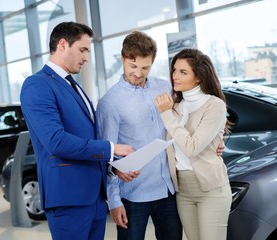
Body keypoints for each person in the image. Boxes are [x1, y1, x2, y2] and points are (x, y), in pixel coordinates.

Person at [20, 21, 134, 240]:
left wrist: (113, 167)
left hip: (94, 197)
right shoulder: (37, 85)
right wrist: (112, 148)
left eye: (88, 51)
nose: (86, 58)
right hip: (68, 199)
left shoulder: (72, 85)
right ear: (63, 44)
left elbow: (86, 138)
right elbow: (56, 141)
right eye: (82, 50)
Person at [96, 31, 183, 240]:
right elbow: (106, 156)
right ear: (123, 59)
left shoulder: (164, 87)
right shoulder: (110, 102)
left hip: (168, 192)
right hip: (133, 196)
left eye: (145, 67)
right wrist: (114, 201)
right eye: (133, 66)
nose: (138, 73)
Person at [155, 48, 232, 240]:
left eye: (183, 72)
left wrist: (166, 114)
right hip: (183, 190)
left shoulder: (214, 105)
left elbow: (192, 147)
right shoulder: (175, 106)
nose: (175, 76)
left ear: (198, 77)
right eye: (174, 70)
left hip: (210, 189)